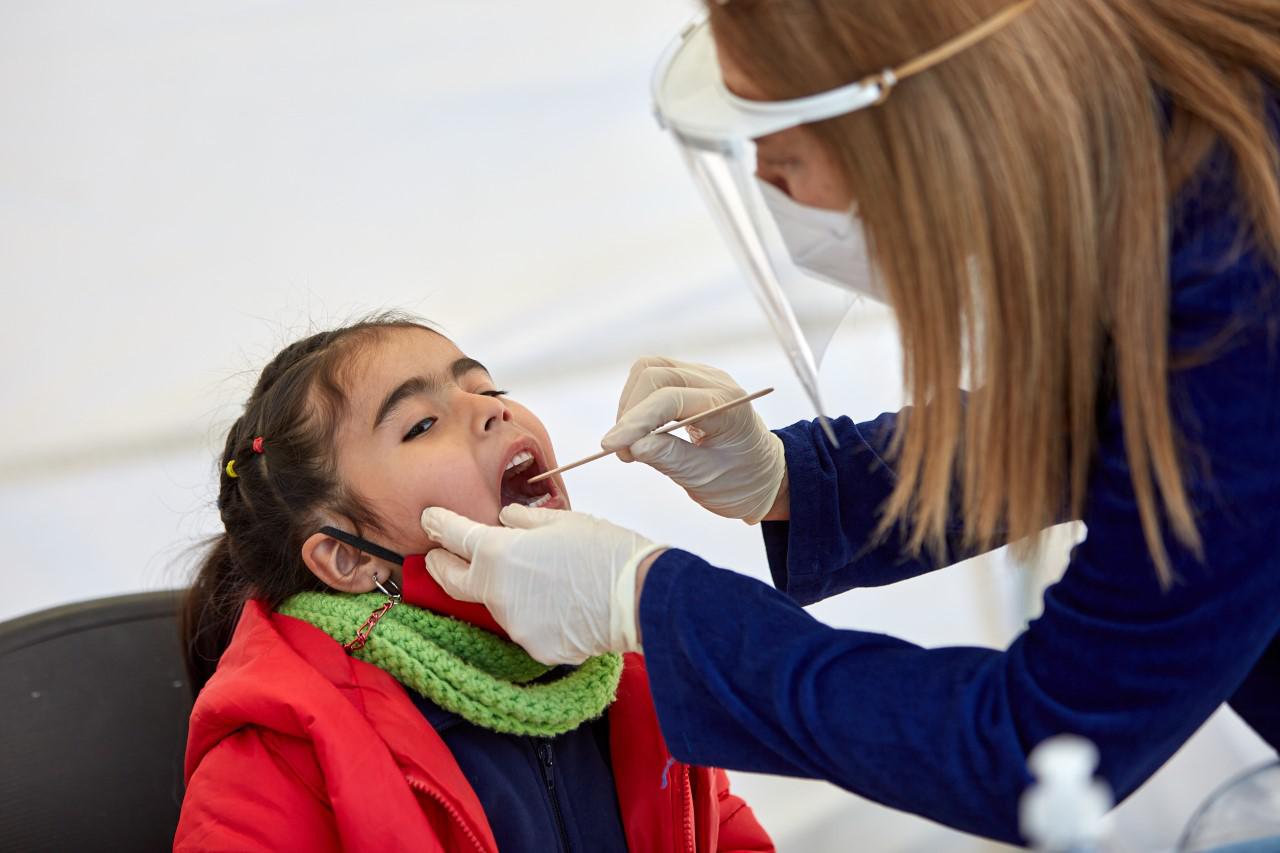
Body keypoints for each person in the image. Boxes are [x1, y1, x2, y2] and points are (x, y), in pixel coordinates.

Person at [417, 0, 1280, 844]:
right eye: (418, 424)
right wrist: (804, 480)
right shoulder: (1147, 156)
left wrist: (647, 598)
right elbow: (1105, 430)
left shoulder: (1237, 293)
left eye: (785, 153)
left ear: (926, 123)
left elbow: (1034, 745)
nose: (767, 181)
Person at [174, 315, 772, 852]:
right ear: (349, 557)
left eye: (488, 389)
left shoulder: (632, 670)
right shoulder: (276, 758)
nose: (492, 410)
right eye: (422, 424)